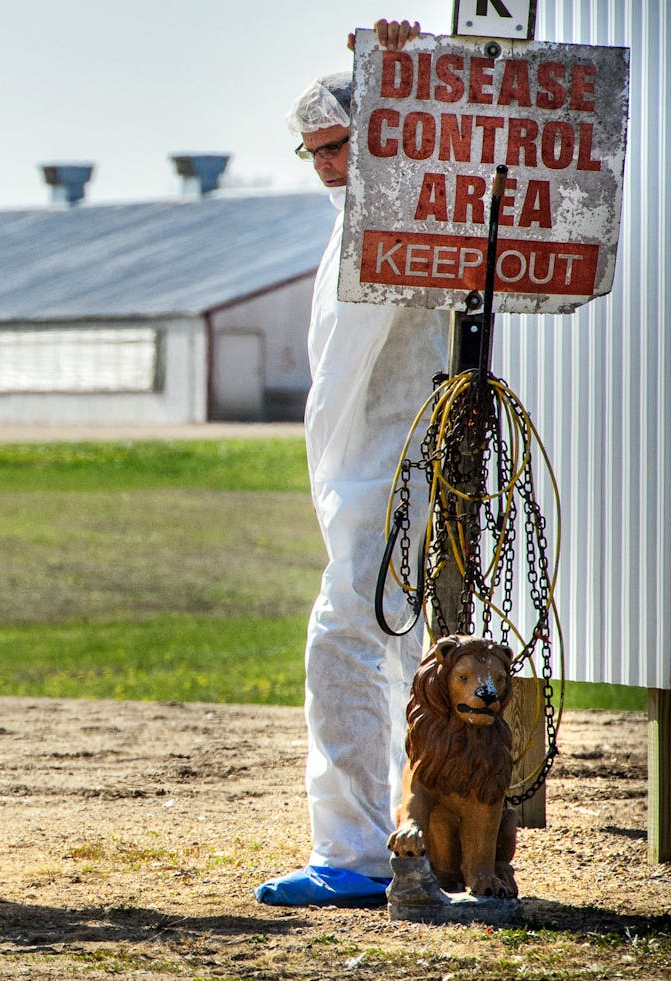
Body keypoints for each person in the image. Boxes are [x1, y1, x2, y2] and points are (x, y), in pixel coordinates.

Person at [256, 19, 450, 908]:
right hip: (365, 472)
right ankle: (421, 836)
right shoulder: (357, 218)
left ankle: (356, 851)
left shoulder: (405, 200)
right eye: (316, 152)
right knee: (397, 652)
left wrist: (413, 70)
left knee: (344, 642)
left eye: (342, 144)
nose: (331, 165)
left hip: (389, 466)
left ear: (379, 128)